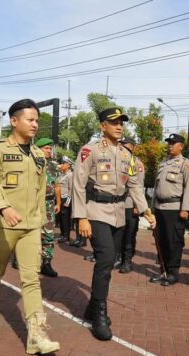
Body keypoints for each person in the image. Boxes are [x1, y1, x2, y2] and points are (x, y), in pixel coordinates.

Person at [0, 99, 60, 355]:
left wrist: (40, 220)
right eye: (30, 119)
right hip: (2, 225)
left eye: (37, 120)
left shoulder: (38, 155)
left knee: (31, 279)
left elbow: (39, 192)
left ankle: (37, 334)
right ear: (14, 121)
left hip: (30, 227)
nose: (35, 124)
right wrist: (3, 206)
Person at [72, 107, 156, 341]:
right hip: (96, 211)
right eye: (114, 122)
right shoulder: (90, 150)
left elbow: (134, 185)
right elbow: (78, 185)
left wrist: (146, 210)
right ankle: (99, 313)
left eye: (122, 122)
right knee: (107, 258)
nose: (119, 126)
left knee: (107, 263)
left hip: (119, 213)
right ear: (102, 125)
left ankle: (91, 306)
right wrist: (81, 217)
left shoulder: (127, 155)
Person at [149, 133, 189, 286]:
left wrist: (185, 208)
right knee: (160, 240)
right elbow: (156, 188)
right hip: (160, 207)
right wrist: (152, 207)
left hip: (174, 208)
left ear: (181, 146)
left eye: (173, 143)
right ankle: (163, 270)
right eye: (168, 142)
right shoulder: (163, 163)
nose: (169, 145)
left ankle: (173, 273)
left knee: (173, 241)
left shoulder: (185, 164)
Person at [119, 137, 145, 274]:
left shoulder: (137, 164)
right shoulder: (119, 162)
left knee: (129, 235)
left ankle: (127, 261)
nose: (123, 149)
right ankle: (119, 258)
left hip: (130, 204)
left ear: (132, 148)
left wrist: (137, 206)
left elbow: (138, 186)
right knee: (119, 234)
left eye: (126, 146)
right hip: (118, 204)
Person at [35, 137, 60, 278]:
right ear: (38, 149)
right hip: (34, 204)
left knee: (49, 235)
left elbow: (57, 185)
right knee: (30, 232)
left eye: (50, 148)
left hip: (49, 205)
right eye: (46, 148)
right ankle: (20, 259)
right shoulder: (31, 163)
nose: (49, 150)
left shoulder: (54, 165)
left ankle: (46, 263)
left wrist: (58, 203)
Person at [57, 156, 74, 243]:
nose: (61, 165)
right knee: (60, 218)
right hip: (59, 198)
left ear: (68, 165)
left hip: (65, 198)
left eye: (63, 163)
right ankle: (62, 234)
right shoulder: (62, 175)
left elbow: (71, 189)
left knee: (65, 218)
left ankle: (66, 236)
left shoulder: (70, 175)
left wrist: (68, 201)